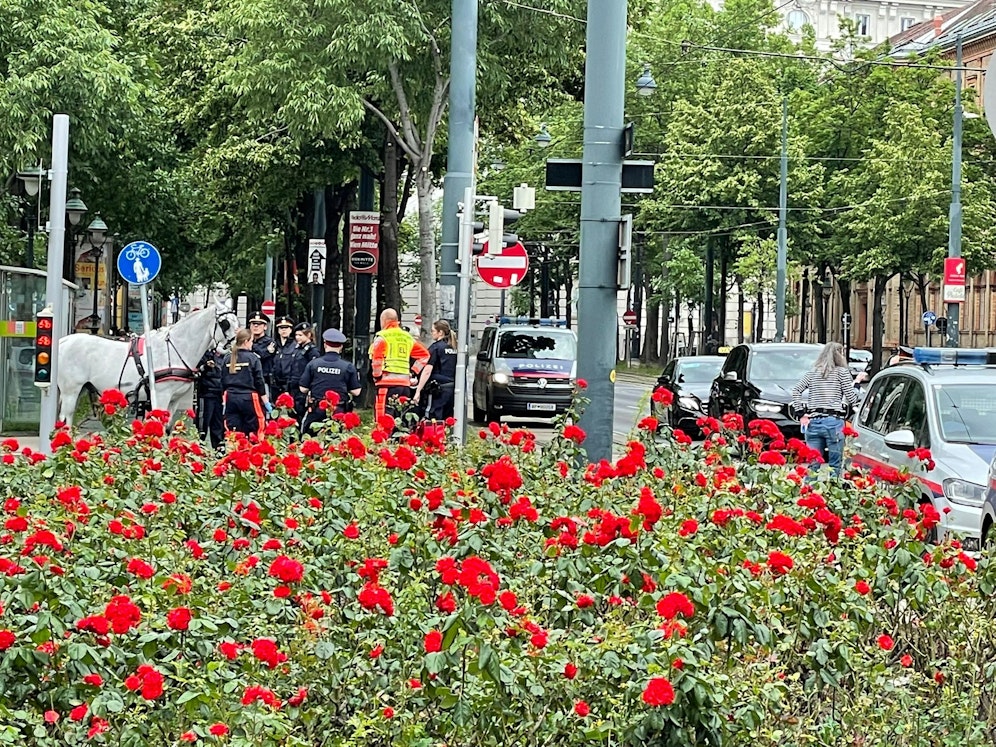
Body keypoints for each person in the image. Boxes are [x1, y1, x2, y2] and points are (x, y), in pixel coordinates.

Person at [791, 342, 859, 476]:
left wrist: (802, 414)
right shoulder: (841, 372)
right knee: (835, 464)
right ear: (840, 355)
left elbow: (796, 391)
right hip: (833, 422)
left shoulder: (813, 372)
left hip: (813, 422)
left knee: (813, 463)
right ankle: (833, 492)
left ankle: (808, 491)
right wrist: (856, 384)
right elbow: (852, 398)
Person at [369, 308, 430, 422]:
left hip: (386, 384)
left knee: (384, 418)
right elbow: (425, 355)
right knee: (400, 417)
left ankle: (385, 440)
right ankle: (399, 439)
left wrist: (377, 376)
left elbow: (377, 359)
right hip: (404, 386)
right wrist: (413, 371)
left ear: (384, 320)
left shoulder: (382, 337)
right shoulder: (407, 337)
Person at [299, 328, 361, 434]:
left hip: (316, 411)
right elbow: (356, 391)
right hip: (339, 412)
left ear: (325, 344)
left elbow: (303, 388)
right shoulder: (348, 366)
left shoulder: (313, 364)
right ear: (341, 346)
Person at [222, 328, 270, 439]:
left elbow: (223, 380)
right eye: (251, 341)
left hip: (230, 397)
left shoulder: (227, 358)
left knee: (233, 432)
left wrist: (224, 399)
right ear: (246, 342)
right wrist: (266, 402)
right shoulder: (253, 358)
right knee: (256, 430)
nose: (252, 344)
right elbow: (259, 381)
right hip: (249, 397)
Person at [413, 319, 457, 420]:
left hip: (438, 390)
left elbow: (427, 370)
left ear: (440, 332)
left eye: (433, 331)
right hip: (452, 389)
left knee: (434, 419)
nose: (431, 333)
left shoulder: (436, 348)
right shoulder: (455, 347)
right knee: (448, 420)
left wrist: (418, 390)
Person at [287, 322, 320, 423]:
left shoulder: (312, 351)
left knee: (302, 414)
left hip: (303, 387)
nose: (297, 337)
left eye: (300, 335)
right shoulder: (297, 349)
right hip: (294, 386)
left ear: (309, 335)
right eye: (296, 335)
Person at [195, 346, 225, 450]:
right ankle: (199, 449)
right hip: (206, 392)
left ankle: (219, 451)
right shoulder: (204, 352)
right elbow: (197, 369)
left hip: (220, 392)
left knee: (218, 425)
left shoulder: (226, 353)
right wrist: (206, 366)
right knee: (202, 425)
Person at [248, 311, 277, 394]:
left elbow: (259, 356)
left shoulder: (270, 342)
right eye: (253, 324)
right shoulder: (246, 341)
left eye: (259, 324)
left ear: (265, 327)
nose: (256, 326)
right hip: (248, 380)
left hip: (264, 379)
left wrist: (252, 351)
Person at [270, 315, 297, 400]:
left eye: (286, 327)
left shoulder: (295, 345)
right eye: (281, 328)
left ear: (291, 330)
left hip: (288, 383)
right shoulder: (274, 345)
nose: (284, 330)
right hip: (275, 384)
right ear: (278, 330)